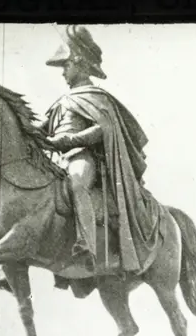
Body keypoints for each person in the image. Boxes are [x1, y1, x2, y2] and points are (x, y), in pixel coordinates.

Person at [38, 25, 159, 274]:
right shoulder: (62, 101)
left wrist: (69, 141)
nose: (63, 73)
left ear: (80, 64)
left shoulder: (95, 96)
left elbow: (102, 130)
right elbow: (42, 129)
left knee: (77, 183)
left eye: (66, 66)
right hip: (58, 160)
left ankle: (86, 245)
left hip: (82, 158)